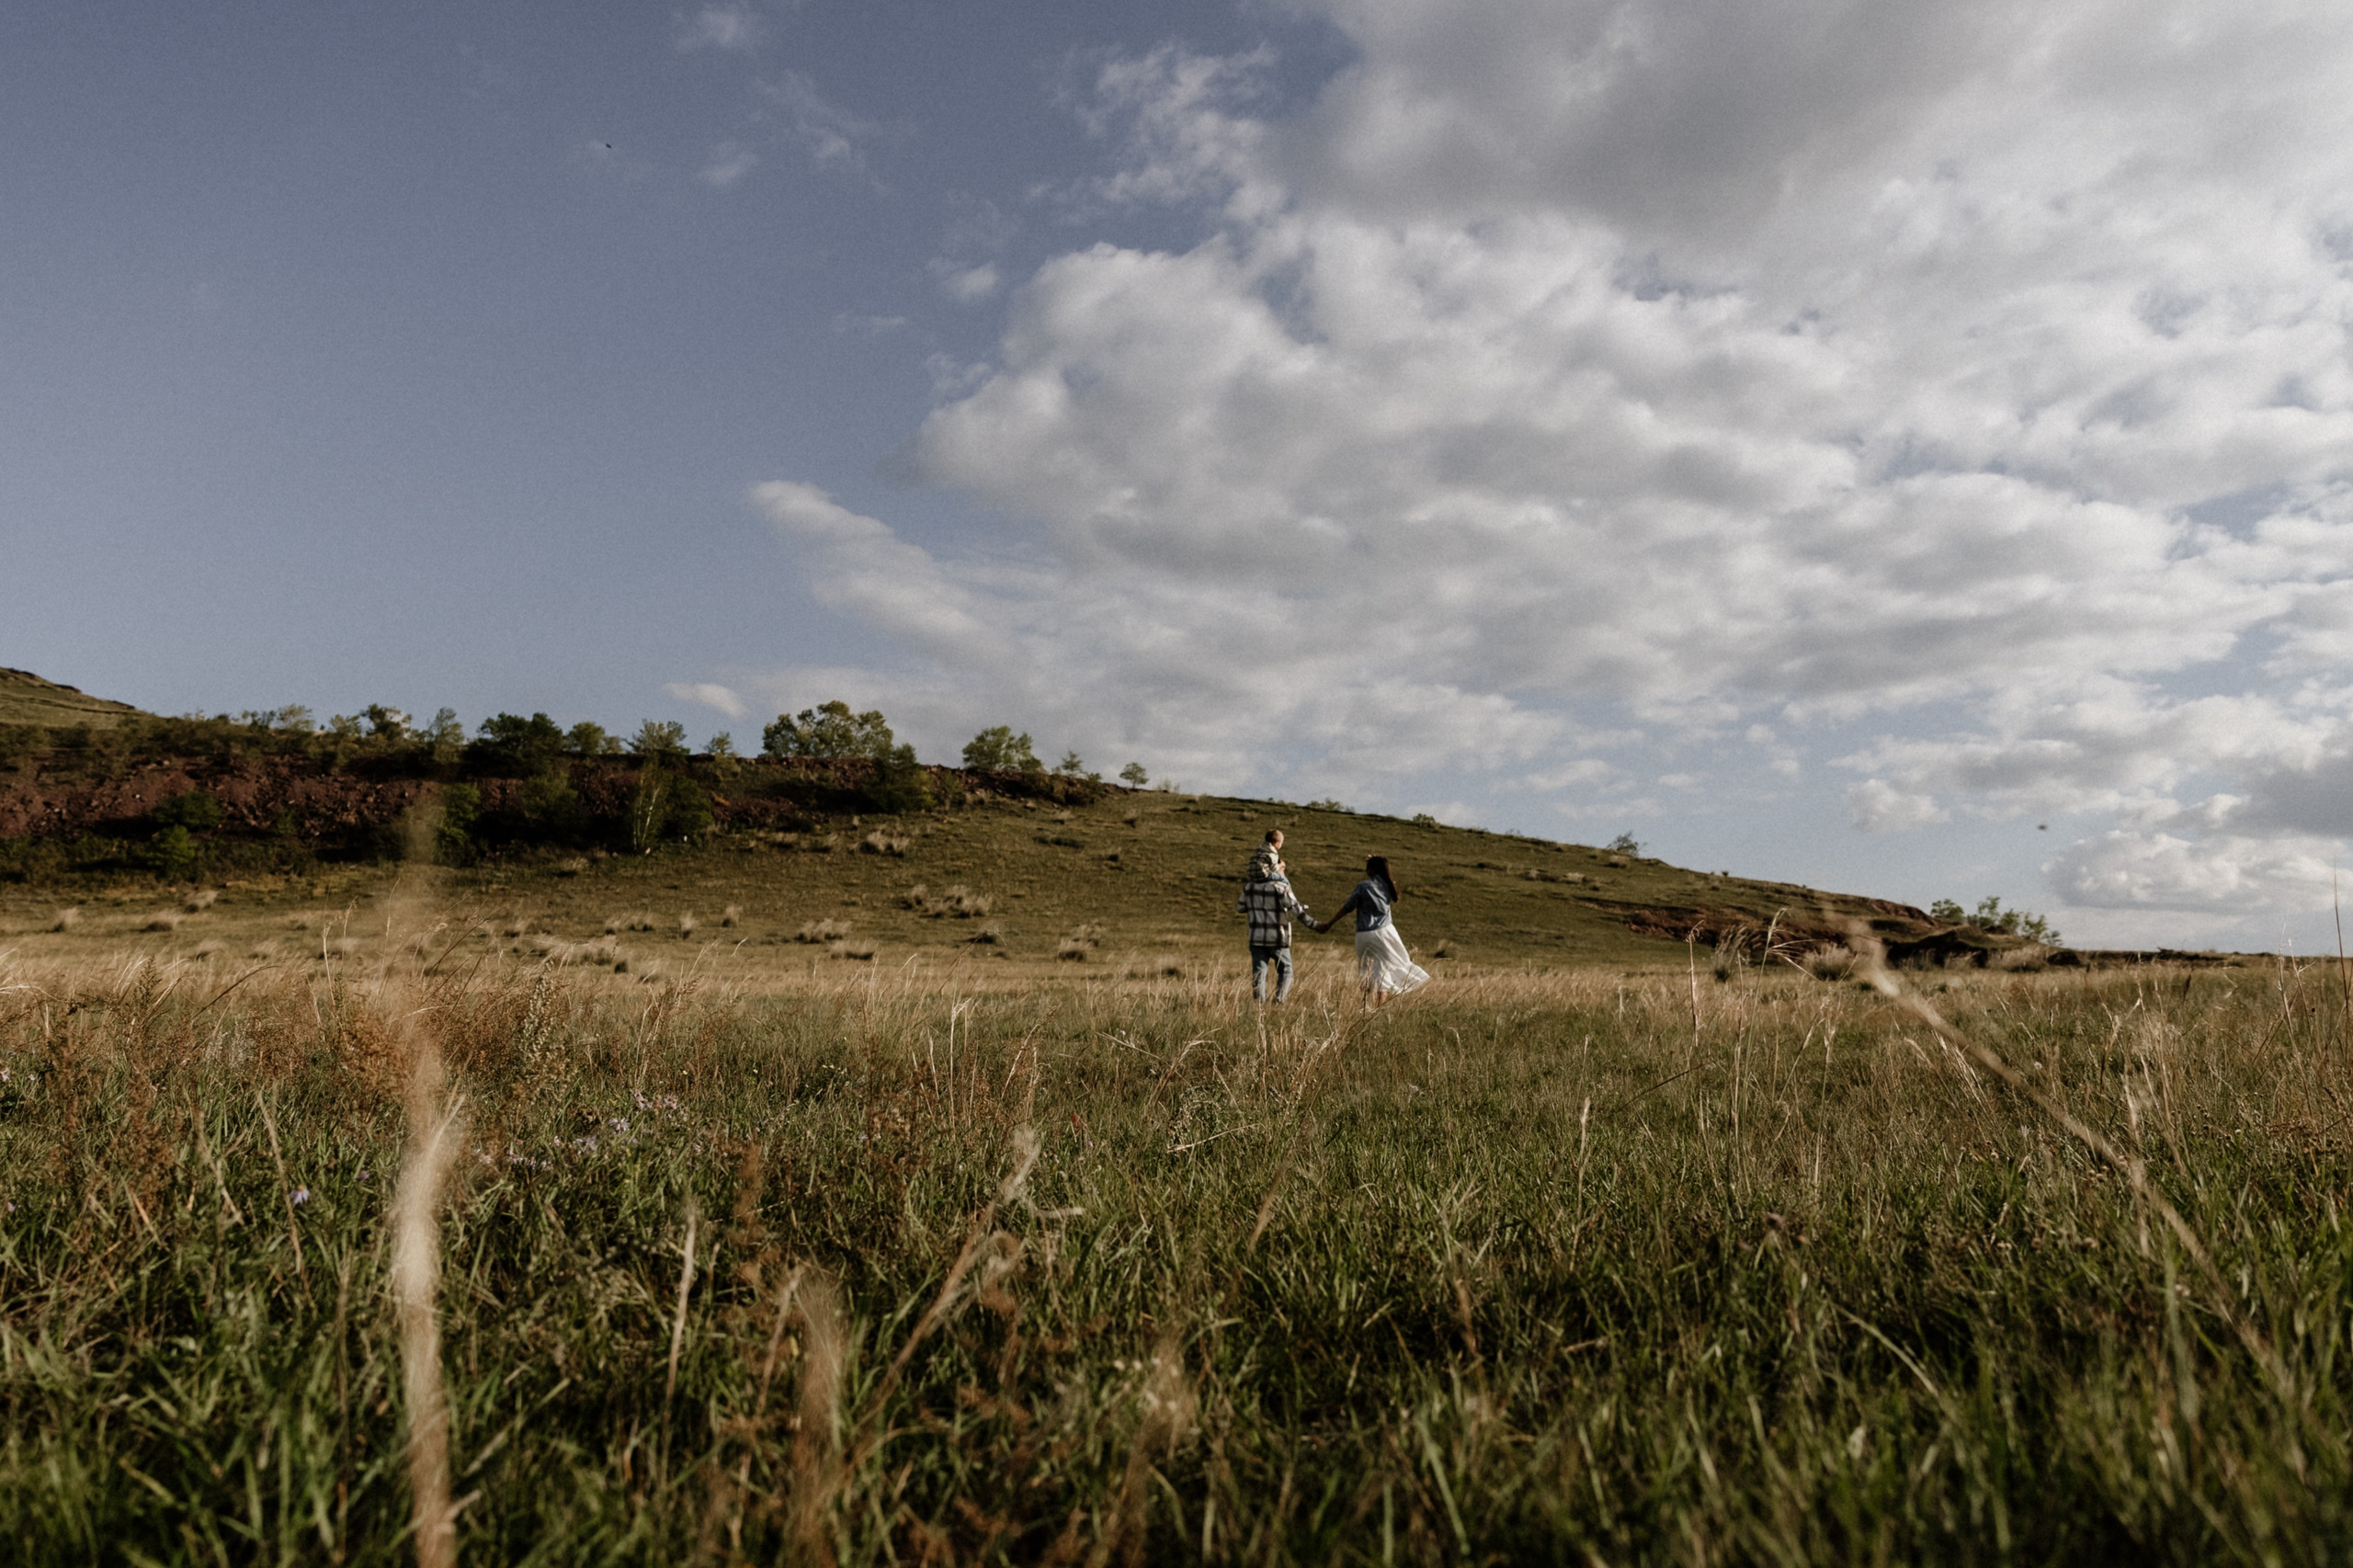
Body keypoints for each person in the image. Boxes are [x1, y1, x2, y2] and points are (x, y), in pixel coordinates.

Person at [1316, 855, 1428, 1003]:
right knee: (1385, 968)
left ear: (1372, 869)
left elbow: (1347, 907)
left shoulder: (1364, 886)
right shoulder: (1390, 886)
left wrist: (1330, 923)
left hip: (1364, 934)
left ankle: (1365, 1007)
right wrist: (1377, 860)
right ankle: (1379, 1008)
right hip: (1385, 932)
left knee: (1366, 969)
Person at [1235, 829, 1312, 1003]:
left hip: (1256, 935)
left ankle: (1259, 1006)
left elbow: (1240, 908)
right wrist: (1281, 869)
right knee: (1285, 881)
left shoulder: (1257, 852)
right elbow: (1274, 871)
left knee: (1258, 972)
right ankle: (1278, 1001)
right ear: (1277, 843)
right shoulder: (1272, 853)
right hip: (1277, 934)